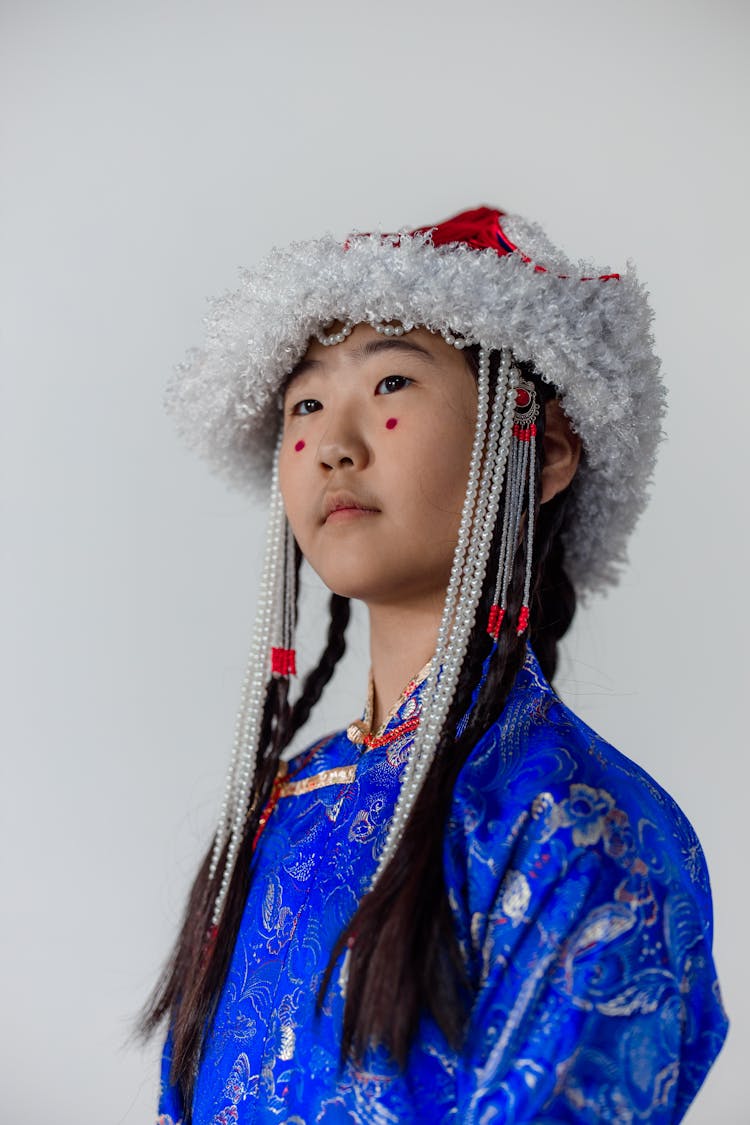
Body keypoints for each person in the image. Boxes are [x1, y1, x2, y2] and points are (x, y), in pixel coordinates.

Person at [143, 206, 728, 1123]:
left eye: (392, 382)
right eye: (305, 403)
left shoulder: (583, 829)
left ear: (543, 451)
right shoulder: (285, 804)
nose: (335, 441)